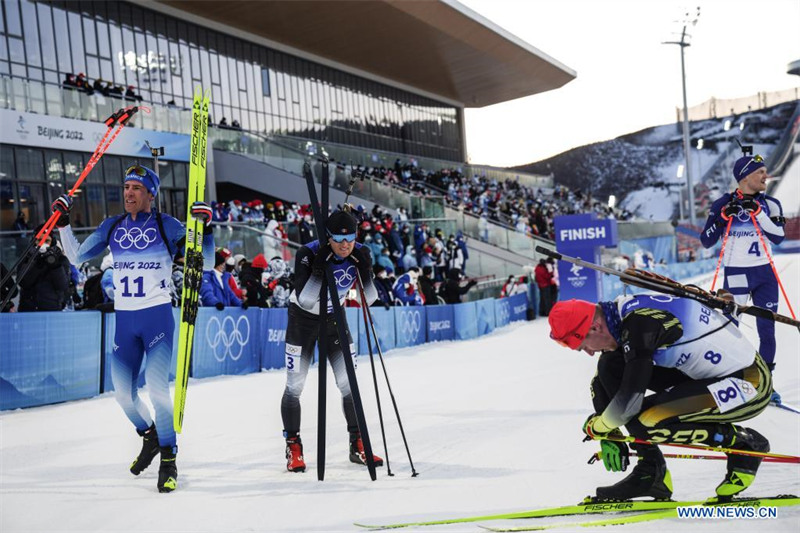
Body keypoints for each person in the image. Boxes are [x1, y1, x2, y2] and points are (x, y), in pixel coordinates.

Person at [52, 165, 214, 493]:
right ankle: (150, 436)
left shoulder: (166, 225)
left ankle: (169, 459)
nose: (129, 193)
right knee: (123, 395)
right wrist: (64, 223)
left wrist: (206, 229)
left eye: (136, 188)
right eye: (126, 186)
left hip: (156, 319)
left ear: (150, 194)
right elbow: (76, 257)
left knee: (156, 389)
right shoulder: (113, 226)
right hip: (125, 323)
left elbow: (206, 263)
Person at [548, 294, 772, 501]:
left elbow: (628, 402)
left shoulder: (640, 326)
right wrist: (610, 432)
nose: (588, 352)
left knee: (648, 421)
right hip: (707, 374)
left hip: (749, 384)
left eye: (583, 346)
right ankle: (650, 471)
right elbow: (603, 380)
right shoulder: (620, 312)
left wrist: (599, 427)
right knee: (610, 365)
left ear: (595, 326)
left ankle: (745, 444)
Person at [281, 209, 382, 472]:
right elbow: (305, 299)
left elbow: (368, 300)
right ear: (328, 237)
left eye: (350, 238)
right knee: (295, 385)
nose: (345, 245)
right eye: (338, 239)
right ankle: (293, 446)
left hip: (334, 319)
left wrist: (366, 270)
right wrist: (318, 269)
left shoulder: (360, 252)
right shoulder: (308, 252)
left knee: (348, 382)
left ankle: (357, 443)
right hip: (302, 320)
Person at [700, 154, 785, 401]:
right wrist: (723, 217)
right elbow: (706, 240)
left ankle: (766, 386)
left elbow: (779, 237)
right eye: (760, 172)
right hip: (736, 273)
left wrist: (758, 213)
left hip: (764, 274)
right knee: (730, 328)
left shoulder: (771, 203)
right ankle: (732, 379)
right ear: (745, 176)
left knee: (767, 330)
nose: (765, 176)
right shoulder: (721, 203)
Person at [17, 228, 71, 312]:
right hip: (28, 311)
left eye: (47, 240)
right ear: (34, 241)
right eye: (39, 240)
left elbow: (63, 286)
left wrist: (55, 265)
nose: (42, 243)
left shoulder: (61, 260)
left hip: (52, 310)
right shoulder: (26, 258)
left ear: (52, 242)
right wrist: (36, 264)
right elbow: (23, 282)